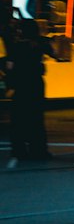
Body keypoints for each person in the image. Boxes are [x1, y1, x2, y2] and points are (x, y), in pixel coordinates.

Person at [6, 18, 55, 166]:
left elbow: (9, 66)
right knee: (36, 118)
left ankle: (19, 150)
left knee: (18, 118)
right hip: (35, 83)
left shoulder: (16, 45)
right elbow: (55, 53)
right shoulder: (39, 44)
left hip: (21, 84)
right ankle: (38, 149)